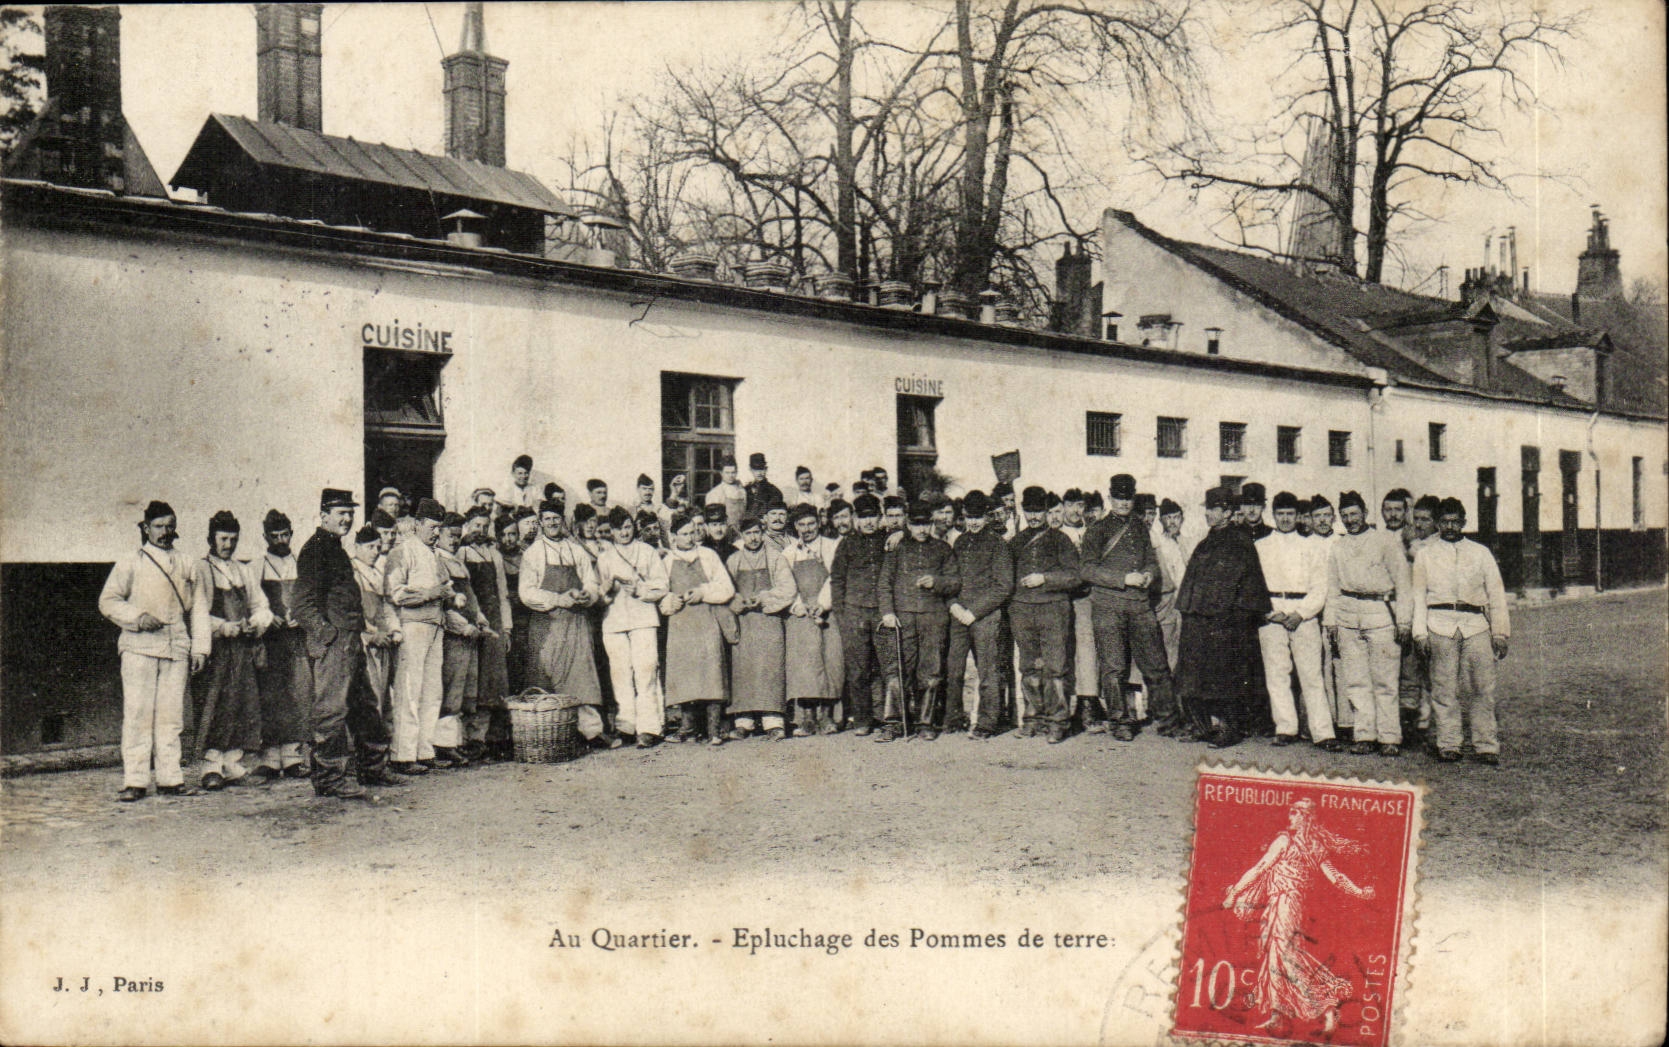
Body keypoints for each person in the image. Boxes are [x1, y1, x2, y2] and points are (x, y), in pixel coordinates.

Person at [1222, 799, 1374, 1037]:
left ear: (1305, 816)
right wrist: (1359, 891)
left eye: (1294, 813)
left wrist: (1234, 892)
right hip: (1284, 905)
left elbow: (1260, 867)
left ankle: (1327, 1007)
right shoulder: (1314, 846)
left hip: (1286, 904)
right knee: (1276, 958)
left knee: (1286, 957)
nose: (1289, 817)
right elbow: (1336, 877)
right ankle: (1277, 1015)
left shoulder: (1285, 841)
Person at [99, 501, 211, 801]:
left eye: (170, 525)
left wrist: (200, 648)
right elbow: (108, 601)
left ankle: (170, 778)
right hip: (139, 648)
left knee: (171, 717)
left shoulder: (188, 563)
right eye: (159, 526)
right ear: (146, 528)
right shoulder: (130, 561)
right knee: (138, 714)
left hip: (176, 647)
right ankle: (135, 780)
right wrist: (137, 618)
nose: (165, 532)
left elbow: (199, 608)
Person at [294, 488, 395, 797]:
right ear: (324, 516)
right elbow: (301, 605)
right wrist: (328, 636)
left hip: (350, 642)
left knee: (365, 707)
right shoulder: (314, 550)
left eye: (350, 513)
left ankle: (373, 770)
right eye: (341, 514)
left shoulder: (334, 547)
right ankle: (328, 780)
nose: (347, 519)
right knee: (332, 711)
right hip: (335, 644)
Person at [1413, 497, 1510, 765]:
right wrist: (1420, 633)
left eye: (1455, 521)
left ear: (1464, 522)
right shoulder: (1425, 555)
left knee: (1482, 687)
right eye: (1445, 522)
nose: (1450, 527)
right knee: (1444, 688)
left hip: (1476, 624)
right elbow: (1418, 595)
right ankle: (1449, 743)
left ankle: (1486, 744)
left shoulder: (1480, 553)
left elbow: (1496, 593)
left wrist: (1500, 632)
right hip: (1439, 623)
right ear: (1438, 524)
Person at [1079, 474, 1175, 741]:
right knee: (1114, 668)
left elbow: (1152, 563)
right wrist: (1122, 579)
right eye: (1118, 498)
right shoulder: (1097, 530)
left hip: (1140, 606)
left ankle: (1168, 719)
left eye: (1128, 498)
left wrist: (1148, 574)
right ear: (1110, 498)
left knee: (1156, 664)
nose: (1123, 503)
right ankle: (1119, 721)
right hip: (1108, 607)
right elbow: (1086, 570)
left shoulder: (1139, 528)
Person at [1175, 486, 1272, 748]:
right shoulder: (1205, 543)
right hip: (1199, 620)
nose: (1208, 514)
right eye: (1207, 509)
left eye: (1213, 509)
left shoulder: (1240, 542)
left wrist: (1234, 620)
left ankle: (1231, 728)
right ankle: (1201, 726)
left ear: (1227, 512)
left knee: (1228, 677)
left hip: (1226, 624)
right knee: (1193, 675)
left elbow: (1249, 588)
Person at [1325, 490, 1412, 756]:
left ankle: (1389, 737)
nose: (1350, 520)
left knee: (1384, 679)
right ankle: (1364, 734)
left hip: (1380, 613)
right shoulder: (1338, 546)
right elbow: (1333, 587)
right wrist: (1331, 622)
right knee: (1356, 680)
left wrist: (1404, 621)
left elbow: (1403, 584)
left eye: (1354, 514)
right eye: (1345, 515)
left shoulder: (1385, 541)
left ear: (1365, 513)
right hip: (1348, 614)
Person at [191, 510, 274, 790]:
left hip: (242, 650)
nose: (228, 544)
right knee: (216, 704)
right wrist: (224, 627)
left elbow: (262, 606)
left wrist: (255, 623)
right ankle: (211, 766)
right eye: (223, 538)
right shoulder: (202, 569)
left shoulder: (243, 570)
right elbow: (196, 611)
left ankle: (232, 761)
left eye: (233, 539)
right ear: (211, 539)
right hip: (216, 651)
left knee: (241, 702)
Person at [518, 501, 612, 745]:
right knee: (546, 676)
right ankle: (550, 734)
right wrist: (558, 598)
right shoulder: (533, 553)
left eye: (556, 518)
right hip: (547, 624)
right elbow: (526, 592)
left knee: (583, 674)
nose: (552, 523)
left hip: (576, 622)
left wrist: (586, 595)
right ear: (540, 522)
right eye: (547, 519)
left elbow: (591, 582)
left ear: (563, 520)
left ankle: (591, 731)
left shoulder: (575, 550)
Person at [1256, 492, 1340, 751]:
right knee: (1277, 674)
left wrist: (1300, 614)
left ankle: (1323, 732)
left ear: (1297, 516)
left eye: (1290, 514)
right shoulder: (1261, 546)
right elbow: (1255, 585)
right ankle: (1285, 728)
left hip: (1303, 615)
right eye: (1280, 514)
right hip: (1272, 615)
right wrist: (1271, 612)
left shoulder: (1311, 546)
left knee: (1311, 675)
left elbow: (1320, 587)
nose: (1284, 519)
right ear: (1273, 515)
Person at [875, 500, 960, 742]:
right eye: (916, 524)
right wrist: (888, 612)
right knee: (897, 670)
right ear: (908, 524)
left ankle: (926, 722)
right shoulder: (898, 549)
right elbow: (884, 584)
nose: (921, 530)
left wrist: (937, 582)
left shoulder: (943, 549)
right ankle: (893, 723)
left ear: (932, 524)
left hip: (934, 619)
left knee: (931, 672)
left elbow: (955, 581)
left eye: (926, 524)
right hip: (902, 620)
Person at [383, 498, 453, 773]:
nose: (437, 533)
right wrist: (430, 594)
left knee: (432, 691)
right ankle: (403, 754)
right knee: (409, 691)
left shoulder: (436, 554)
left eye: (439, 528)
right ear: (418, 524)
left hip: (436, 627)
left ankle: (425, 750)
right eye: (433, 527)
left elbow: (444, 586)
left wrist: (449, 595)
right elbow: (394, 593)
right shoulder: (402, 552)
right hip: (412, 628)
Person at [1007, 486, 1081, 742]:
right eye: (1029, 511)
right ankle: (1032, 717)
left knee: (1055, 667)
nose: (1034, 516)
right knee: (1028, 666)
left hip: (1053, 610)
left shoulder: (1060, 540)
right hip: (1022, 611)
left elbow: (1075, 576)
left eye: (1039, 511)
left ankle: (1058, 721)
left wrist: (1045, 578)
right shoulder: (1016, 542)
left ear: (1047, 512)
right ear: (1023, 511)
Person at [660, 512, 736, 745]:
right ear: (673, 537)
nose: (689, 538)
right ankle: (688, 728)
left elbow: (726, 588)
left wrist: (703, 592)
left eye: (692, 532)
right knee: (684, 674)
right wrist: (668, 602)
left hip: (706, 620)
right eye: (683, 534)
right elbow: (660, 592)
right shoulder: (666, 561)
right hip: (681, 623)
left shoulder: (708, 555)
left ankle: (714, 729)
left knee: (711, 671)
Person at [597, 507, 670, 747]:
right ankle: (626, 724)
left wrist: (640, 590)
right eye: (618, 529)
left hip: (643, 619)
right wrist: (606, 591)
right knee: (620, 674)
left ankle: (649, 727)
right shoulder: (605, 557)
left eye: (627, 527)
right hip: (615, 622)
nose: (624, 533)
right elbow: (598, 596)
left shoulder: (647, 552)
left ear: (633, 527)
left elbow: (662, 586)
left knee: (646, 670)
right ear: (611, 532)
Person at [943, 490, 1012, 738]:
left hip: (985, 617)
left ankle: (987, 723)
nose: (973, 522)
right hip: (959, 615)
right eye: (969, 517)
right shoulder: (960, 542)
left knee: (987, 671)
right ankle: (954, 718)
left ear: (987, 516)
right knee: (954, 669)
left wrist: (975, 612)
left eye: (978, 517)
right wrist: (953, 605)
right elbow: (951, 578)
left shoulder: (997, 544)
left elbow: (1003, 585)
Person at [251, 509, 310, 782]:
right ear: (265, 537)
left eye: (284, 534)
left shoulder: (302, 563)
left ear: (291, 534)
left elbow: (311, 599)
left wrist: (302, 615)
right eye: (274, 536)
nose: (280, 540)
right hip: (271, 639)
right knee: (270, 695)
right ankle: (271, 758)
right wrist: (267, 617)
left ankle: (294, 756)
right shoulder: (257, 565)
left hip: (296, 639)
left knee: (296, 693)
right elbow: (252, 603)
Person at [725, 516, 797, 740]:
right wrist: (736, 601)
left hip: (769, 621)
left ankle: (773, 722)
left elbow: (788, 589)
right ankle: (743, 722)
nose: (753, 538)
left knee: (770, 669)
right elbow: (726, 590)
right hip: (745, 623)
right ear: (741, 536)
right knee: (743, 670)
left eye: (757, 532)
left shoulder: (776, 558)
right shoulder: (734, 560)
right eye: (748, 534)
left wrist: (765, 597)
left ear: (762, 531)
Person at [830, 494, 888, 734]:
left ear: (879, 517)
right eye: (863, 517)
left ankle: (887, 718)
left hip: (882, 612)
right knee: (858, 669)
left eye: (872, 516)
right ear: (855, 519)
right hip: (854, 613)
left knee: (886, 667)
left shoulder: (889, 541)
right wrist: (842, 614)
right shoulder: (847, 544)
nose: (868, 522)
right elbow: (837, 580)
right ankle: (863, 720)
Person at [783, 504, 843, 735]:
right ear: (795, 526)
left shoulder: (831, 546)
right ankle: (807, 719)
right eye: (801, 525)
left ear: (818, 523)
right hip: (801, 613)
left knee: (830, 661)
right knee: (805, 664)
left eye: (811, 524)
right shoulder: (789, 553)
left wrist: (823, 604)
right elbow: (785, 583)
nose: (807, 529)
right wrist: (797, 605)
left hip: (827, 611)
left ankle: (827, 717)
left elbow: (835, 577)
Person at [433, 512, 488, 768]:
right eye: (449, 535)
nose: (454, 540)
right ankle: (444, 745)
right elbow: (445, 605)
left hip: (470, 634)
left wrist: (479, 618)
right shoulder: (437, 561)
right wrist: (463, 626)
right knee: (452, 688)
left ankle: (460, 741)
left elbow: (471, 597)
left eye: (457, 536)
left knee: (467, 688)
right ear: (439, 534)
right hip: (453, 635)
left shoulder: (459, 561)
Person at [460, 506, 513, 759]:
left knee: (493, 679)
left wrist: (507, 627)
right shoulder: (461, 552)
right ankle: (471, 737)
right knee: (474, 679)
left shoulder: (495, 554)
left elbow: (503, 593)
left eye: (484, 526)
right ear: (467, 526)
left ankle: (491, 737)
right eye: (476, 526)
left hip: (494, 621)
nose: (480, 531)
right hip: (472, 621)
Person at [1059, 489, 1105, 734]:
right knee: (1063, 653)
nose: (1077, 511)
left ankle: (1087, 707)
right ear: (1063, 506)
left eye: (1080, 506)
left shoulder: (1091, 533)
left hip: (1086, 598)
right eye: (1071, 505)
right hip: (1061, 599)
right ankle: (1062, 709)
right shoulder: (1056, 534)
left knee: (1088, 650)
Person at [348, 524, 401, 730]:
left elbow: (387, 607)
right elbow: (353, 611)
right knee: (371, 695)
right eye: (370, 547)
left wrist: (394, 630)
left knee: (386, 695)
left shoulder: (378, 574)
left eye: (378, 547)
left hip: (383, 640)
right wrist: (369, 635)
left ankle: (386, 745)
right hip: (365, 642)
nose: (375, 552)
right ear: (357, 547)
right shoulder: (352, 573)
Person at [1307, 495, 1349, 739]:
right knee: (1319, 669)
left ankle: (1346, 722)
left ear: (1333, 517)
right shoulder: (1306, 544)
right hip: (1314, 613)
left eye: (1326, 515)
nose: (1322, 520)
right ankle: (1327, 722)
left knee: (1342, 666)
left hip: (1340, 612)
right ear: (1310, 519)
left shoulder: (1341, 543)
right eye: (1317, 516)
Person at [1152, 498, 1187, 675]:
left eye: (1176, 517)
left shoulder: (1186, 542)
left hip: (1185, 604)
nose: (1173, 522)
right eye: (1168, 518)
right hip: (1168, 604)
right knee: (1167, 649)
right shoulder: (1160, 545)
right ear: (1161, 521)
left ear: (1182, 518)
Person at [704, 456, 747, 534]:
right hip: (724, 533)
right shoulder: (715, 493)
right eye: (727, 472)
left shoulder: (742, 491)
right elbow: (711, 521)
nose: (731, 475)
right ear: (721, 473)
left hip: (741, 532)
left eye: (733, 472)